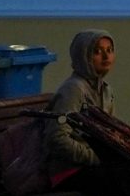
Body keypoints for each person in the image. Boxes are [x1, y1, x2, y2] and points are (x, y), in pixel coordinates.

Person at [44, 29, 113, 180]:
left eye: (109, 50)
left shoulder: (105, 90)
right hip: (68, 170)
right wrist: (96, 157)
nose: (106, 56)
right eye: (97, 51)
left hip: (92, 164)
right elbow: (57, 137)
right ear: (84, 56)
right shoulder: (73, 89)